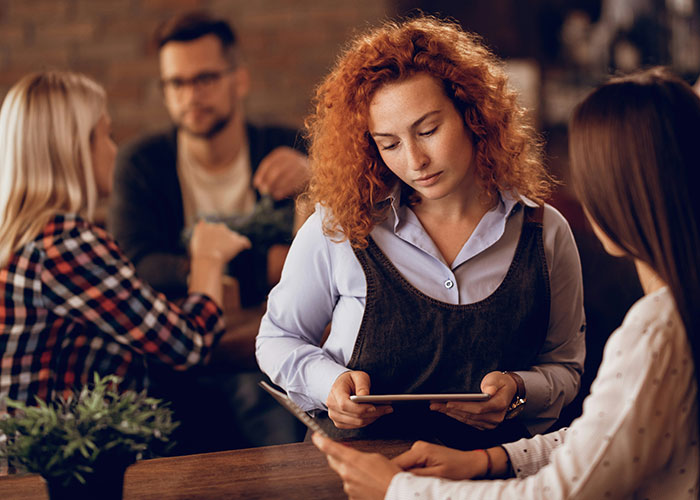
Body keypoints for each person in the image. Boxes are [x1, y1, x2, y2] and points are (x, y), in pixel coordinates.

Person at [312, 67, 700, 499]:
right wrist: (489, 460)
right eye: (389, 143)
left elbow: (559, 492)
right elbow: (601, 441)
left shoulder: (658, 327)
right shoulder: (677, 313)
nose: (415, 160)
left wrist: (398, 490)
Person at [256, 16, 585, 450]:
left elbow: (565, 367)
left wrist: (519, 390)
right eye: (389, 143)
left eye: (428, 130)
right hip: (359, 471)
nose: (414, 161)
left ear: (474, 115)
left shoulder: (544, 232)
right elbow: (278, 339)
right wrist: (329, 385)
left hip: (492, 476)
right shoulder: (340, 226)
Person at [0, 70, 250, 409]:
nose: (114, 151)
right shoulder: (67, 245)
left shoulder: (23, 240)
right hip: (48, 459)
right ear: (74, 148)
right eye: (107, 135)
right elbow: (188, 345)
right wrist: (208, 256)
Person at [108, 10, 309, 309]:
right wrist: (265, 265)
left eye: (205, 79)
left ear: (239, 81)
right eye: (176, 83)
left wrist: (315, 174)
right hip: (183, 328)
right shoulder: (139, 163)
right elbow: (135, 263)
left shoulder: (289, 145)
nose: (191, 96)